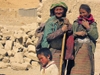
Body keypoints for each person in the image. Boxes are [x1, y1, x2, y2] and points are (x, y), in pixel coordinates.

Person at [41, 1, 74, 74]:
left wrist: (68, 24)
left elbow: (71, 32)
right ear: (53, 11)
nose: (59, 11)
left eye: (60, 9)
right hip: (53, 52)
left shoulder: (64, 21)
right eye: (57, 10)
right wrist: (61, 31)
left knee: (61, 72)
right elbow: (48, 37)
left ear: (64, 11)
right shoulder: (50, 23)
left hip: (62, 52)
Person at [68, 4, 99, 75]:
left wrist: (88, 27)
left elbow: (96, 36)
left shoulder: (93, 24)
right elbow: (70, 36)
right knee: (75, 69)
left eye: (84, 12)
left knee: (86, 70)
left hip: (87, 51)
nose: (82, 14)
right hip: (76, 51)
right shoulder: (76, 23)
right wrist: (76, 33)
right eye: (80, 13)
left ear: (89, 12)